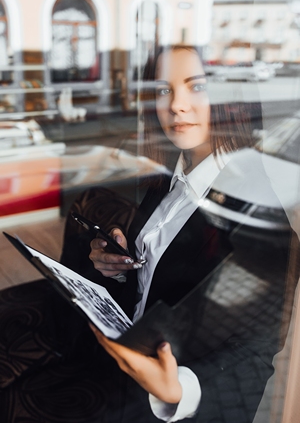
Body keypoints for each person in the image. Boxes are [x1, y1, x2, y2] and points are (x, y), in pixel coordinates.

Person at [88, 45, 298, 422]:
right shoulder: (168, 176)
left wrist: (180, 390)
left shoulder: (261, 219)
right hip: (119, 371)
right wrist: (117, 265)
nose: (177, 105)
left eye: (196, 86)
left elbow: (255, 354)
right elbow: (159, 276)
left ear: (229, 95)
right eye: (163, 90)